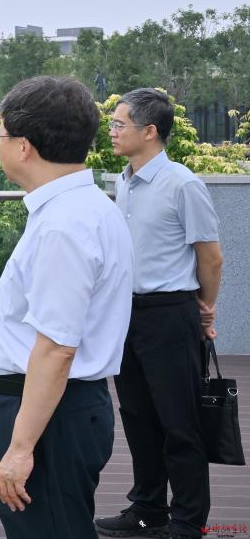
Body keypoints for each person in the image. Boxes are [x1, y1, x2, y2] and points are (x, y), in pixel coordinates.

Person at [0, 76, 133, 539]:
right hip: (57, 408)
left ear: (24, 146)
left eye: (0, 136)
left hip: (46, 415)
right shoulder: (87, 207)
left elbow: (57, 348)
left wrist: (20, 448)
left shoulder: (63, 226)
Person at [94, 88, 223, 539]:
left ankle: (188, 521)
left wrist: (205, 308)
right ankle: (148, 508)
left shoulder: (183, 184)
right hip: (127, 315)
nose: (111, 131)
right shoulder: (123, 180)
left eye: (119, 124)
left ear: (149, 131)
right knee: (138, 417)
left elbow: (210, 257)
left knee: (179, 422)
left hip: (170, 314)